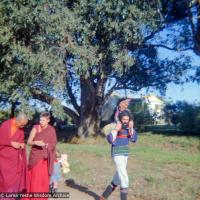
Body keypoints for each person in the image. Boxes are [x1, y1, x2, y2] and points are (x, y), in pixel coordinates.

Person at [100, 110, 138, 200]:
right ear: (120, 119)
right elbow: (110, 140)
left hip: (125, 154)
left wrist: (131, 128)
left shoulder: (129, 128)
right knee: (124, 176)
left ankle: (103, 196)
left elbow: (134, 139)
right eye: (124, 119)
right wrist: (116, 129)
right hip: (117, 153)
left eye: (127, 119)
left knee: (118, 177)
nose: (125, 121)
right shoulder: (115, 126)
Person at [26, 112, 57, 199]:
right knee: (35, 179)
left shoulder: (51, 130)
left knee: (43, 179)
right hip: (36, 157)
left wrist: (48, 145)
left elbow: (54, 143)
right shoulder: (36, 128)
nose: (41, 122)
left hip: (46, 158)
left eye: (43, 120)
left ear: (48, 120)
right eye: (40, 120)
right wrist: (36, 142)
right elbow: (28, 142)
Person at [0, 113, 29, 194]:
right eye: (22, 125)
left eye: (24, 125)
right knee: (5, 180)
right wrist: (11, 143)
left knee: (14, 179)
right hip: (4, 158)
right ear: (17, 120)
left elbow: (21, 140)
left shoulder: (20, 129)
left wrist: (21, 144)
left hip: (15, 159)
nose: (23, 127)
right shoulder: (6, 125)